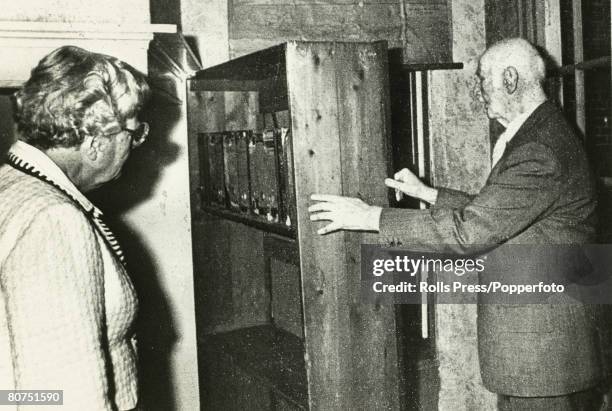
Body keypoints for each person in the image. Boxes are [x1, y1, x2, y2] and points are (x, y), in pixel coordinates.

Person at [309, 38, 604, 410]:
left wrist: (369, 217)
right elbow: (503, 217)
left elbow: (471, 232)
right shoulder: (540, 133)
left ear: (510, 79)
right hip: (538, 350)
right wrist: (430, 194)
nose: (478, 90)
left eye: (482, 79)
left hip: (544, 354)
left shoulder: (540, 149)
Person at [0, 46, 150, 410]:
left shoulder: (12, 185)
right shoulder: (54, 219)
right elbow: (63, 396)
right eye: (134, 131)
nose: (136, 144)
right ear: (97, 143)